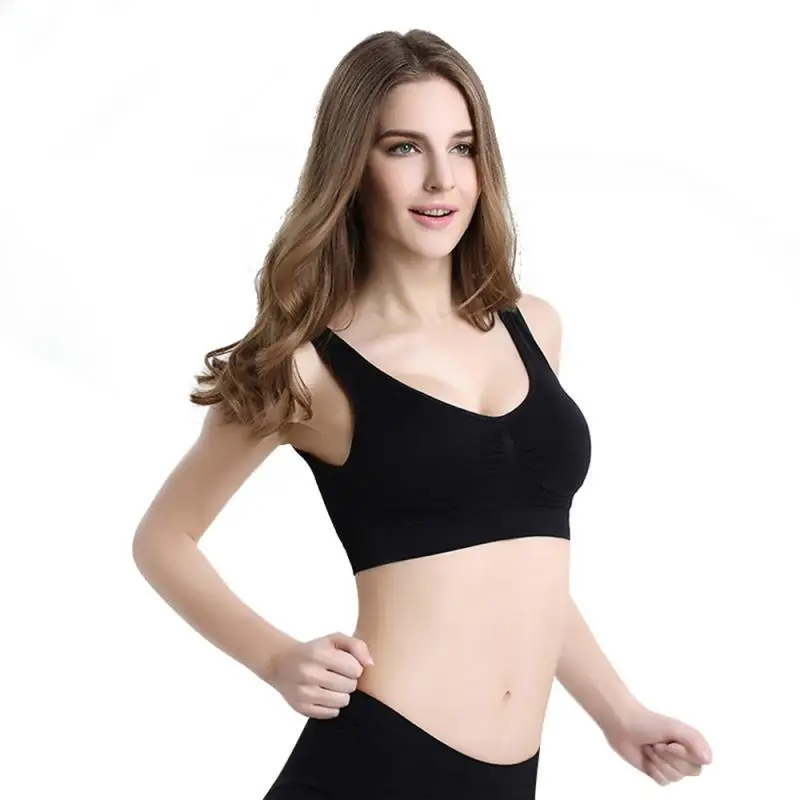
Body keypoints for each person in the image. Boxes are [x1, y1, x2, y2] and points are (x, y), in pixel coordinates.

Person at [132, 29, 713, 799]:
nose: (442, 178)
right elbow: (163, 539)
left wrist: (620, 713)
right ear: (352, 165)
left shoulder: (534, 328)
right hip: (374, 766)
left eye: (463, 148)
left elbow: (519, 567)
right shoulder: (308, 367)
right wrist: (275, 658)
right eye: (404, 148)